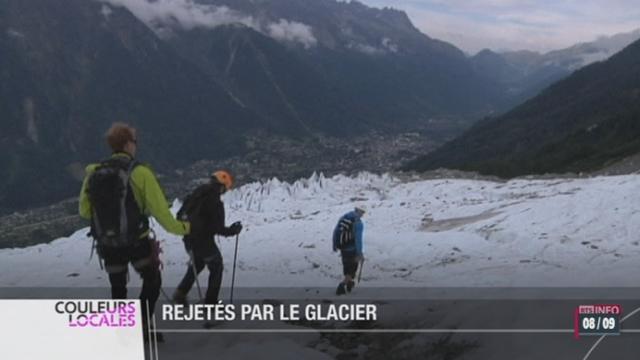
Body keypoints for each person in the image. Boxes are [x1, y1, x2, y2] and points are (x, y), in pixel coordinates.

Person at [79, 123, 190, 341]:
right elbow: (162, 214)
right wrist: (185, 228)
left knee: (118, 288)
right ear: (129, 143)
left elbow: (84, 211)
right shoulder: (140, 173)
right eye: (134, 141)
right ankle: (142, 325)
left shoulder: (94, 173)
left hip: (108, 244)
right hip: (136, 242)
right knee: (152, 280)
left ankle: (123, 332)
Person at [173, 170, 243, 306]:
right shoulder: (215, 202)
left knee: (198, 264)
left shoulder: (194, 195)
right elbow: (219, 228)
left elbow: (179, 215)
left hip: (188, 239)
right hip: (204, 241)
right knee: (216, 266)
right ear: (222, 187)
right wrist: (233, 230)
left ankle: (180, 293)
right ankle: (211, 302)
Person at [333, 206, 365, 295]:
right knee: (352, 268)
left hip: (343, 248)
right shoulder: (358, 223)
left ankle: (349, 283)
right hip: (352, 249)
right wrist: (360, 253)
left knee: (347, 267)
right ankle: (342, 285)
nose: (363, 214)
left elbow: (336, 231)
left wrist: (335, 245)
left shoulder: (344, 217)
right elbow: (358, 240)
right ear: (358, 211)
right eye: (362, 212)